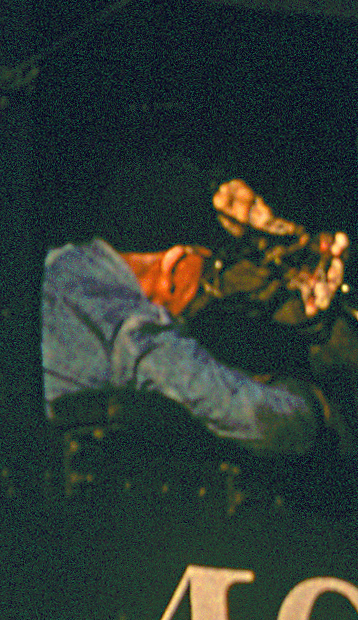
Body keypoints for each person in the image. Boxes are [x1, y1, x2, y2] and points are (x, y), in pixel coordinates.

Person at [43, 151, 328, 456]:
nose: (212, 296)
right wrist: (311, 403)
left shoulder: (59, 264)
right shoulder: (134, 329)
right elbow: (270, 424)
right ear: (175, 267)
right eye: (213, 271)